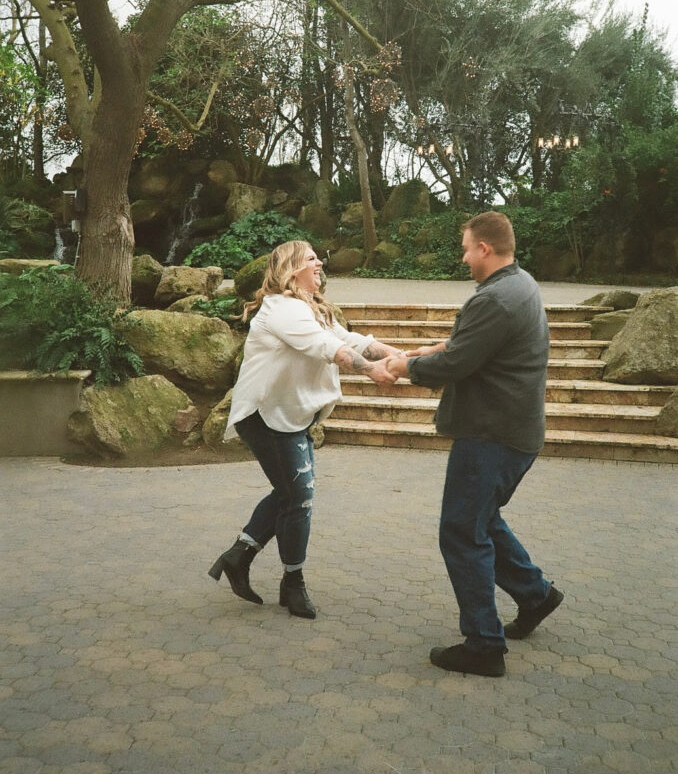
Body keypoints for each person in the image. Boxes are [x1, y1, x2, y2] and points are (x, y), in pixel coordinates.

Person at [386, 211, 563, 677]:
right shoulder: (520, 283)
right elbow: (474, 348)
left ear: (485, 248)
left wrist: (402, 369)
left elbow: (459, 363)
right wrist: (428, 350)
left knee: (462, 531)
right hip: (515, 433)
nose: (464, 257)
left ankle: (484, 645)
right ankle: (536, 595)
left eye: (466, 248)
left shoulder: (497, 299)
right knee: (481, 520)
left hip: (491, 436)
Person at [208, 239, 401, 619]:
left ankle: (238, 556)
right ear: (291, 269)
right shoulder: (283, 309)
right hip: (266, 416)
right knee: (299, 498)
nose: (320, 264)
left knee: (289, 493)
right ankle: (292, 584)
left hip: (290, 415)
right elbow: (327, 349)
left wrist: (401, 356)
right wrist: (372, 370)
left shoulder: (312, 310)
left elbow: (351, 340)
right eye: (311, 259)